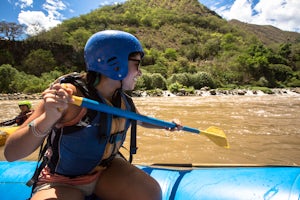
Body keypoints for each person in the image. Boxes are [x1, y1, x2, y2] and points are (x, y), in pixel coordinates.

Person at [4, 30, 181, 200]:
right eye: (137, 63)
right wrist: (48, 118)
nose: (140, 72)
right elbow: (11, 153)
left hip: (106, 171)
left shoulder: (122, 101)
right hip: (63, 181)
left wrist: (166, 124)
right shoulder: (68, 96)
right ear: (116, 63)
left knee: (149, 192)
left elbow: (141, 120)